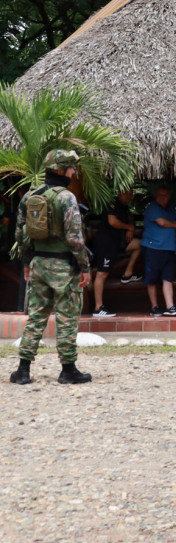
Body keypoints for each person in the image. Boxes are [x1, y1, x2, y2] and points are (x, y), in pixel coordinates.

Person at [10, 150, 93, 385]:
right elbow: (75, 238)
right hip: (64, 267)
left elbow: (20, 234)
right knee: (67, 318)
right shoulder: (66, 198)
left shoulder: (29, 196)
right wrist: (84, 266)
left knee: (36, 317)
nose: (74, 172)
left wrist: (27, 264)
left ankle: (23, 371)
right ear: (60, 170)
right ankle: (68, 370)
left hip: (38, 265)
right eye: (71, 168)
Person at [91, 188, 142, 318]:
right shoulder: (111, 204)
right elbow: (112, 221)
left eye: (131, 194)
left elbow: (130, 219)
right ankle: (98, 307)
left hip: (119, 242)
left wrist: (130, 229)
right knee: (102, 273)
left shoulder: (125, 207)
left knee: (139, 244)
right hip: (107, 244)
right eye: (126, 193)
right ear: (119, 192)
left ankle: (127, 274)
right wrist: (128, 227)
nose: (128, 196)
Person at [142, 186, 176, 317]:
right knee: (152, 279)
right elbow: (162, 222)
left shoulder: (170, 209)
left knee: (168, 278)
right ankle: (154, 307)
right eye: (160, 195)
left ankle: (170, 306)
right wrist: (175, 225)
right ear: (156, 196)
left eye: (165, 195)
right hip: (153, 248)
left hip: (168, 248)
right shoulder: (152, 208)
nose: (163, 197)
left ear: (169, 197)